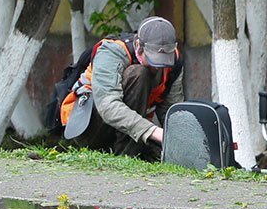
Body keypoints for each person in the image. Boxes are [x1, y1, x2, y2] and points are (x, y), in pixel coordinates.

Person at [59, 15, 185, 160]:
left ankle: (133, 152)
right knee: (139, 74)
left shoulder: (174, 60)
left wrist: (182, 144)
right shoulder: (111, 51)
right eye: (152, 60)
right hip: (91, 127)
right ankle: (126, 156)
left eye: (162, 62)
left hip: (130, 130)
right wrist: (153, 131)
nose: (157, 67)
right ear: (138, 46)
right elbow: (108, 106)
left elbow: (173, 112)